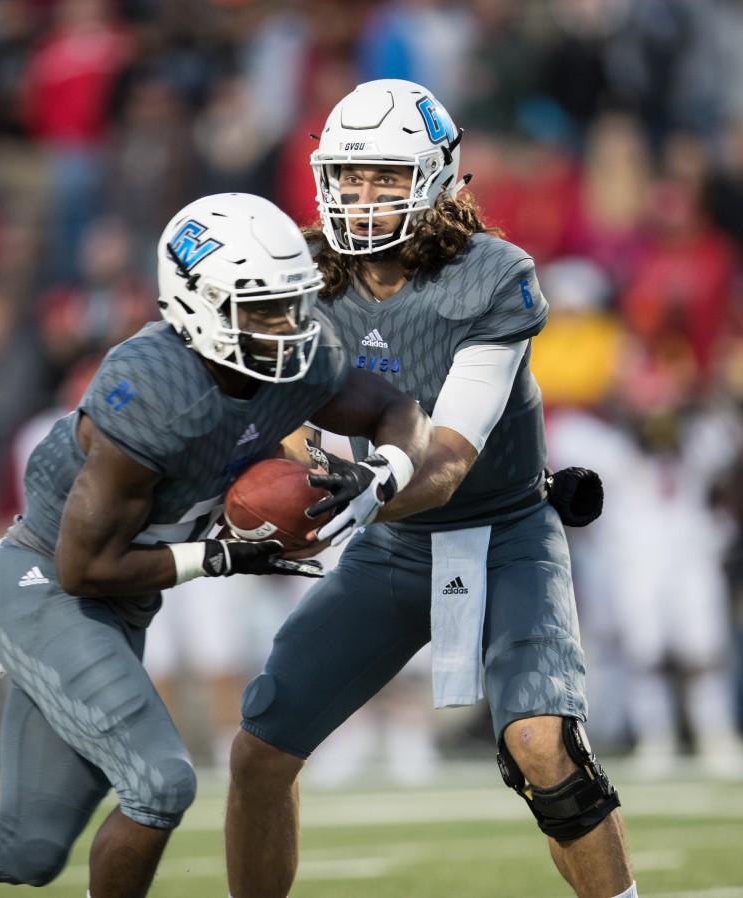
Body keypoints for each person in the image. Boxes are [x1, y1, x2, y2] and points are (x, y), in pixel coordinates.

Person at [0, 192, 431, 898]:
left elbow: (393, 409)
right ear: (196, 302)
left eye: (291, 304)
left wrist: (386, 471)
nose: (286, 327)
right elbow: (83, 567)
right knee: (160, 783)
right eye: (260, 308)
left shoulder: (297, 356)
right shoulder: (157, 388)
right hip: (48, 585)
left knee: (28, 847)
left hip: (119, 603)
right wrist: (220, 555)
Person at [225, 80, 637, 898]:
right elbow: (279, 405)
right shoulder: (303, 274)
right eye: (349, 176)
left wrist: (360, 486)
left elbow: (447, 457)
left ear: (439, 179)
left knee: (545, 750)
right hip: (394, 545)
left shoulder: (493, 275)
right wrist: (300, 464)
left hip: (505, 531)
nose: (363, 196)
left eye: (384, 175)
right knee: (259, 751)